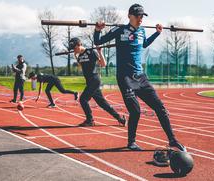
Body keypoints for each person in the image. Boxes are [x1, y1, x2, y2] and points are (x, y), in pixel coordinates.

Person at [94, 3, 186, 151]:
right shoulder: (119, 30)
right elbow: (98, 42)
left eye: (142, 16)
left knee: (160, 108)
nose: (140, 18)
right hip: (125, 77)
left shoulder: (142, 31)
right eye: (137, 15)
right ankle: (131, 142)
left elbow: (144, 44)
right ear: (129, 16)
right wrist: (97, 30)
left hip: (141, 77)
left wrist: (157, 33)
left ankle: (172, 140)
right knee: (135, 111)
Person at [68, 37, 126, 127]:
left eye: (74, 48)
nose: (73, 50)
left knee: (83, 99)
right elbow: (81, 66)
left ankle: (90, 120)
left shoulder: (91, 52)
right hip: (89, 82)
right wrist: (75, 56)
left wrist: (100, 52)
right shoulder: (79, 55)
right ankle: (120, 119)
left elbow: (103, 64)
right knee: (102, 103)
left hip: (94, 80)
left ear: (79, 45)